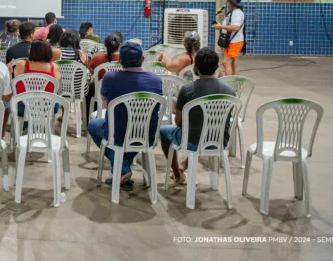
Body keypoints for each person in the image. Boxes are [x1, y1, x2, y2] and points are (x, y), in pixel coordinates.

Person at [87, 41, 163, 190]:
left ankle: (123, 167)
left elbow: (103, 99)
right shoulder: (156, 79)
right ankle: (123, 166)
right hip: (147, 134)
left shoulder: (110, 77)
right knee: (132, 139)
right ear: (143, 59)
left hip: (117, 133)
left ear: (120, 61)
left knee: (93, 125)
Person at [160, 47, 236, 185]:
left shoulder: (187, 90)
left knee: (165, 132)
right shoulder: (230, 91)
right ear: (217, 68)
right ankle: (184, 166)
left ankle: (177, 174)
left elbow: (178, 122)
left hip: (193, 140)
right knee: (204, 130)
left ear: (195, 67)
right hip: (220, 140)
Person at [212, 0, 245, 76]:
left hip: (235, 42)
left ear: (232, 3)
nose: (226, 3)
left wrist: (221, 26)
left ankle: (228, 84)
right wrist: (221, 16)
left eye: (228, 1)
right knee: (233, 63)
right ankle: (234, 84)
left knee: (226, 63)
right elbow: (223, 25)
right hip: (231, 42)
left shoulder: (237, 13)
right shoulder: (231, 13)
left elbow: (235, 27)